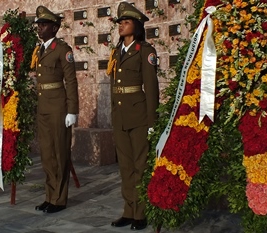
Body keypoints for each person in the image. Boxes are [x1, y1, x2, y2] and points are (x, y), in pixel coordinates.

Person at [107, 2, 159, 230]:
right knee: (126, 167)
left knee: (140, 166)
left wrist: (152, 122)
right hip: (120, 117)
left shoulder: (145, 51)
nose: (121, 26)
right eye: (119, 22)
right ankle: (129, 210)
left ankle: (141, 213)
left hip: (138, 117)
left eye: (126, 22)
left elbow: (151, 88)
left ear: (136, 27)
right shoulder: (116, 52)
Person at [32, 5, 79, 214]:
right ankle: (50, 196)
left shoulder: (62, 49)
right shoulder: (39, 49)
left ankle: (59, 199)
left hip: (59, 107)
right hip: (43, 107)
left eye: (44, 24)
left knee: (60, 153)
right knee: (47, 154)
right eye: (39, 24)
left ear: (55, 28)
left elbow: (71, 81)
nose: (39, 28)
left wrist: (72, 110)